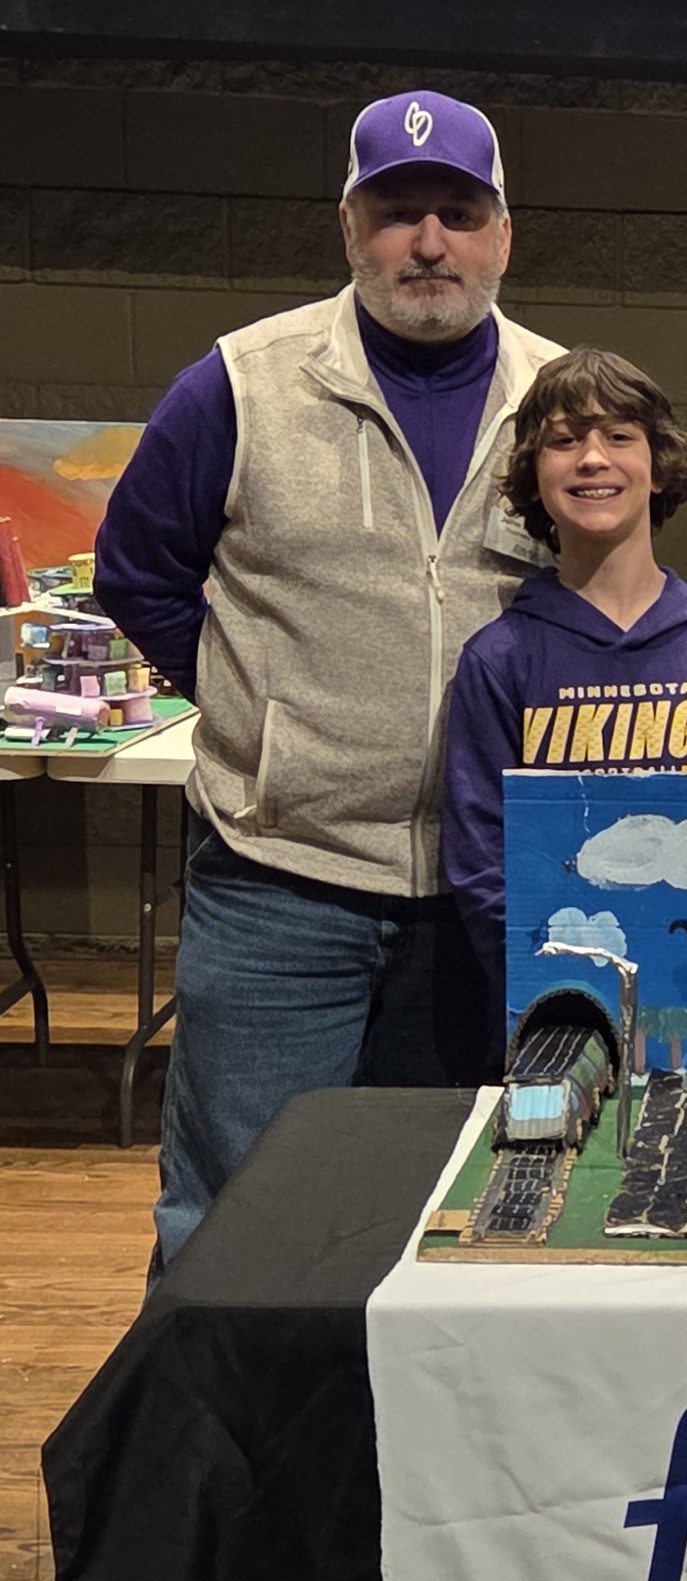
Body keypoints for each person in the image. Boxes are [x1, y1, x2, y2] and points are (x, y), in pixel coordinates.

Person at [94, 90, 564, 1272]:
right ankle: (209, 1462)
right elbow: (137, 570)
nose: (427, 242)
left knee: (430, 1211)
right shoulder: (244, 384)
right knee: (232, 1212)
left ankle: (377, 1460)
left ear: (502, 232)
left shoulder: (564, 403)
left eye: (456, 212)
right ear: (351, 229)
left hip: (479, 893)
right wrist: (261, 707)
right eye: (397, 213)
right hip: (279, 883)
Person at [442, 347, 687, 983]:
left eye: (620, 436)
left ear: (657, 468)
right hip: (551, 1003)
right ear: (535, 477)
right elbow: (481, 863)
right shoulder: (497, 660)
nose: (593, 457)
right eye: (565, 440)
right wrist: (551, 986)